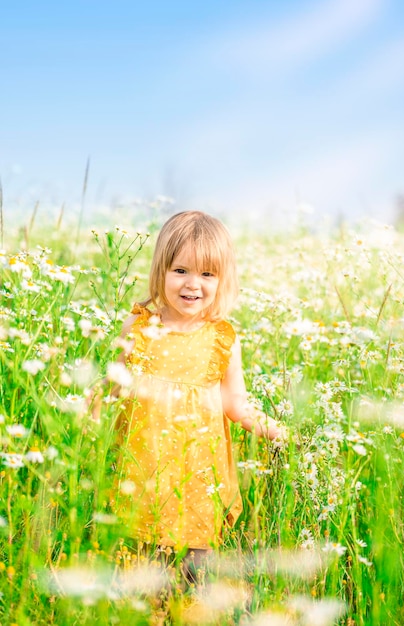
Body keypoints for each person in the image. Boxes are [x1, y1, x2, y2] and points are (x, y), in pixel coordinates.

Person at [95, 211, 286, 574]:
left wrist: (274, 429)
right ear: (161, 269)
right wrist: (88, 409)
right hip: (142, 470)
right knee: (137, 568)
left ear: (221, 279)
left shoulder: (222, 338)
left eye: (207, 274)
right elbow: (114, 385)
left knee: (193, 571)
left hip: (198, 478)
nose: (192, 284)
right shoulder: (138, 326)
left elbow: (235, 404)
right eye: (180, 270)